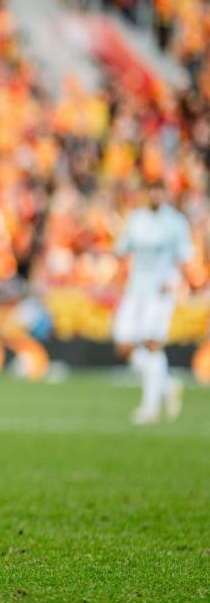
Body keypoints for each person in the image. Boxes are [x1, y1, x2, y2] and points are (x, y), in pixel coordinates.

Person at [113, 179, 195, 425]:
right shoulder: (137, 219)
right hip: (135, 289)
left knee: (151, 343)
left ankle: (150, 409)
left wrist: (175, 281)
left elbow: (185, 257)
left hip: (159, 291)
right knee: (123, 345)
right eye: (152, 191)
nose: (156, 196)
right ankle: (167, 385)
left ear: (165, 194)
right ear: (146, 193)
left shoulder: (175, 222)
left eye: (160, 192)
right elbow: (122, 249)